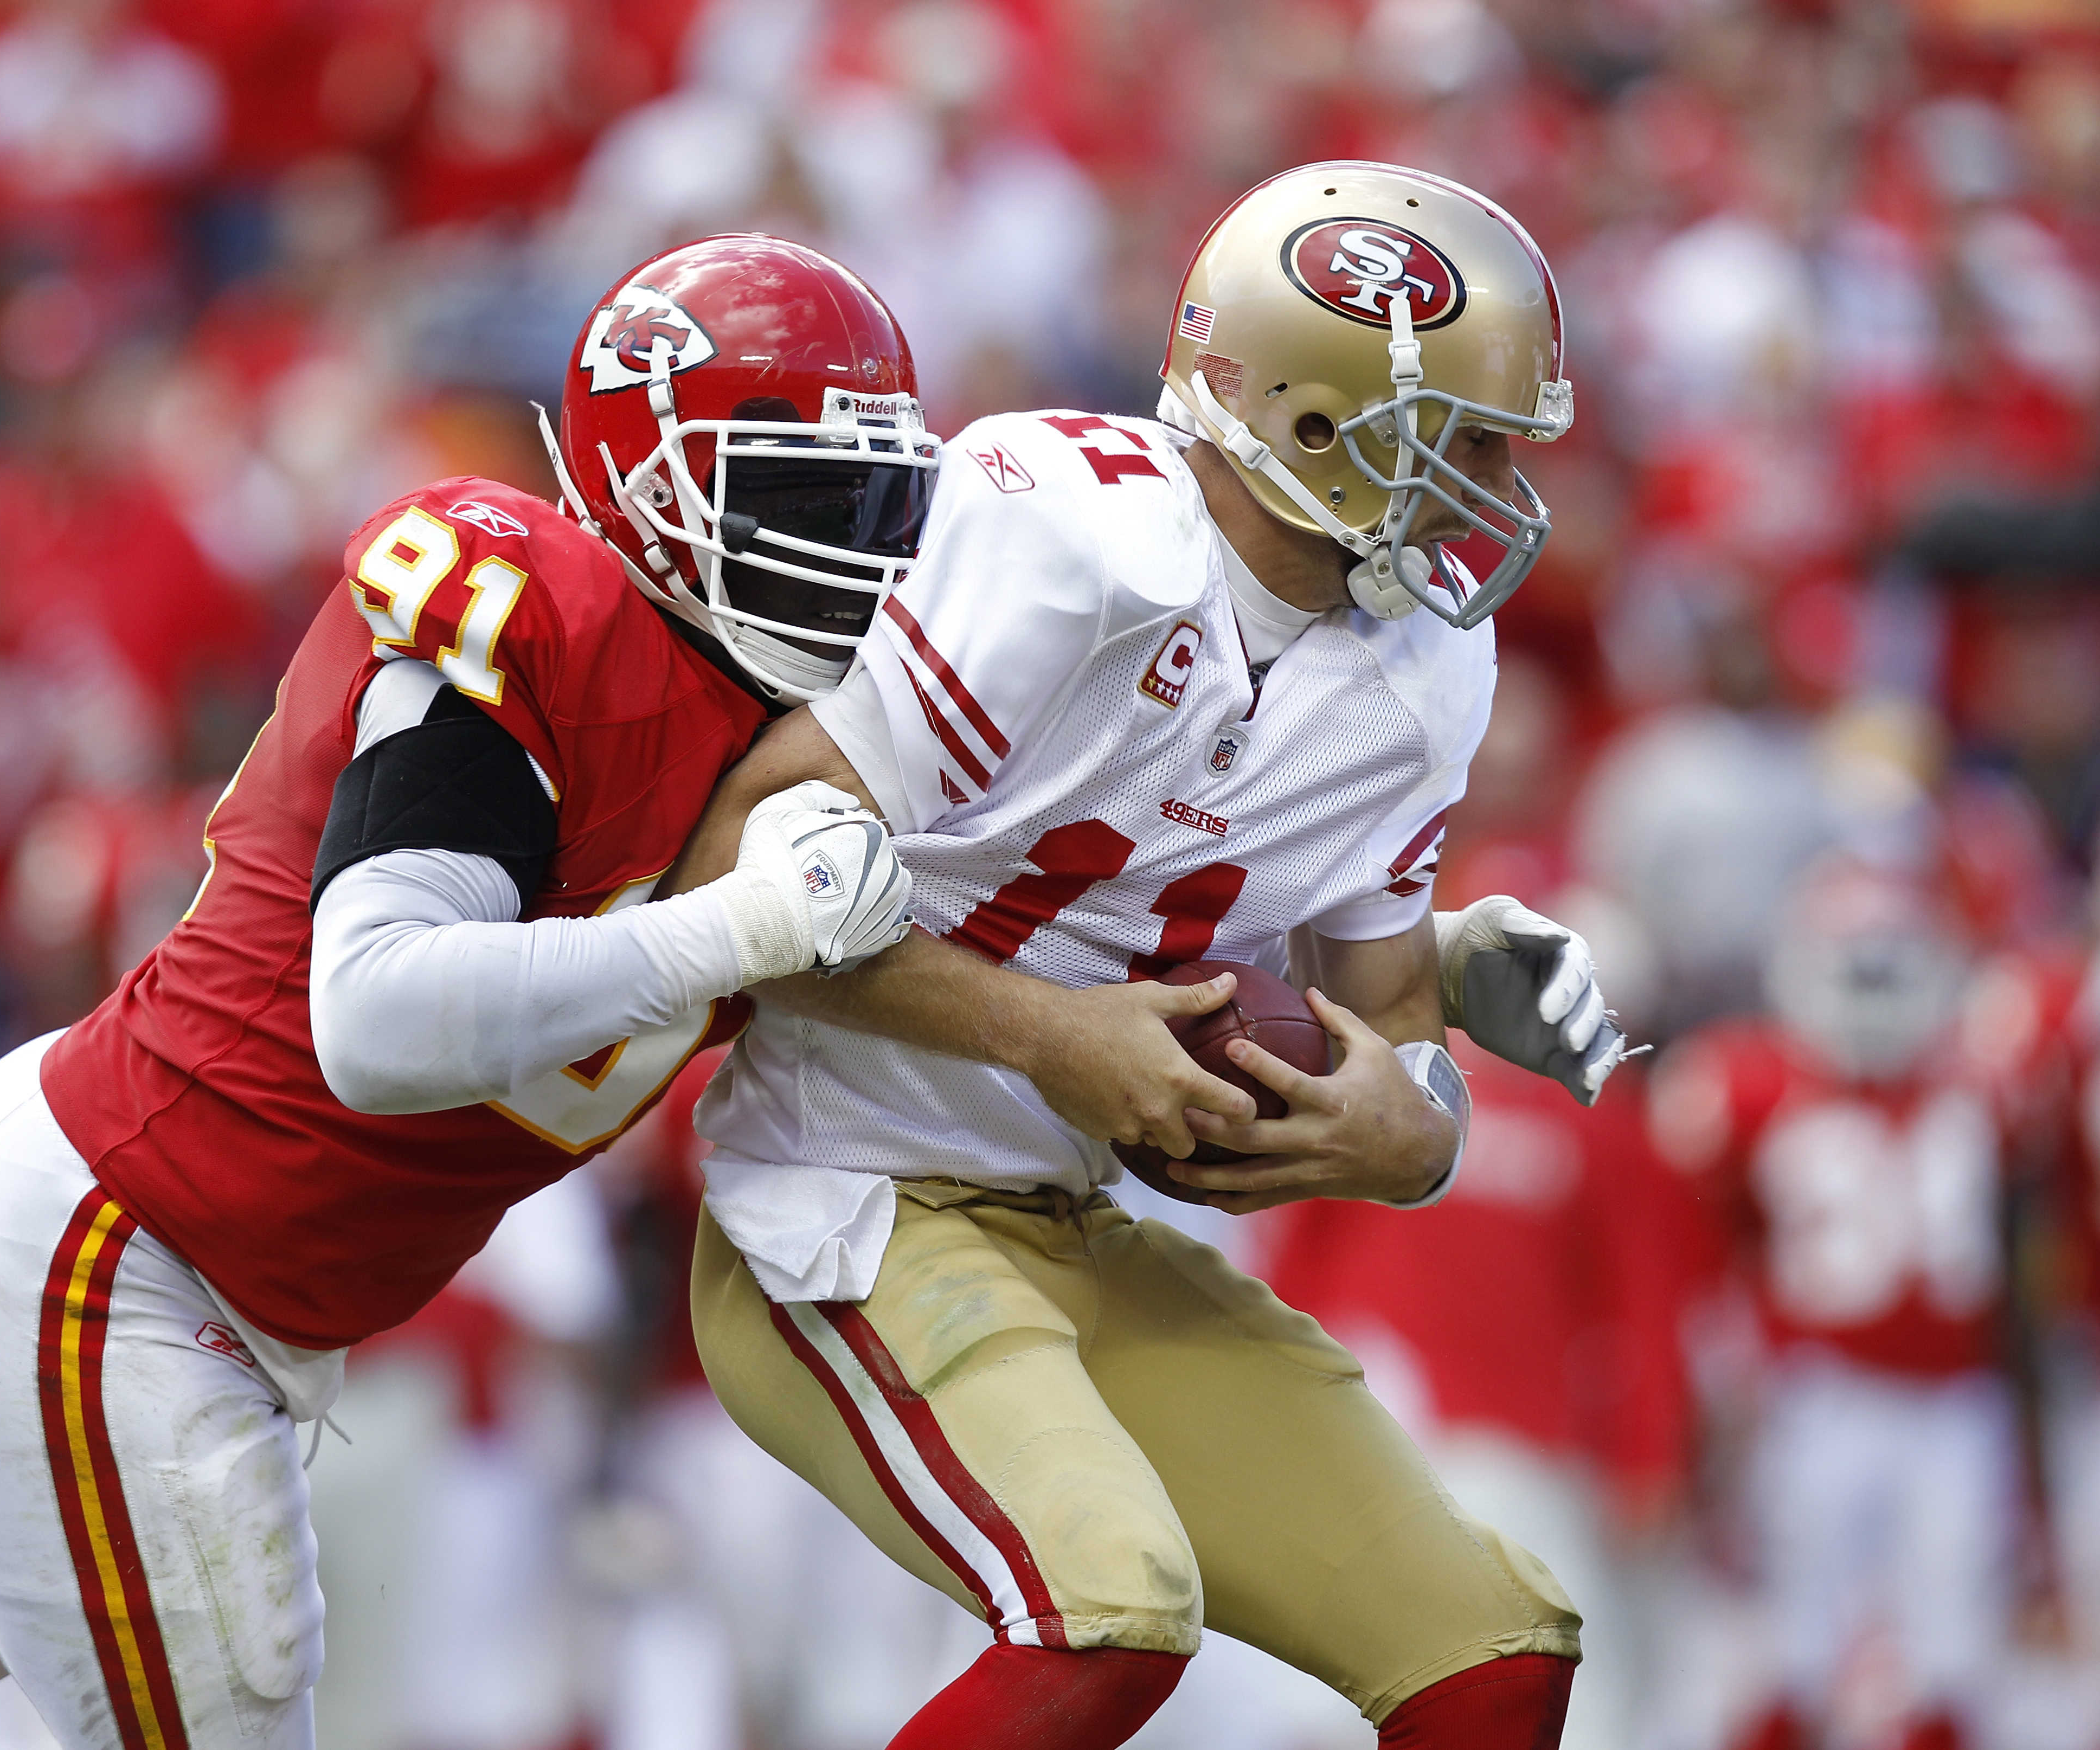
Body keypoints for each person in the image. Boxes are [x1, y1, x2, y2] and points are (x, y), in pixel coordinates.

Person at [0, 234, 939, 1750]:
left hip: (127, 1240)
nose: (855, 551)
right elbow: (374, 1014)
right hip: (125, 1252)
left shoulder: (779, 735)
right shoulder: (537, 605)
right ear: (649, 479)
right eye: (808, 498)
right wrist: (742, 927)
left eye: (882, 503)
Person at [659, 162, 1627, 1749]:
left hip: (1068, 1218)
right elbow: (728, 875)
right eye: (1454, 444)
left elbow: (1378, 1018)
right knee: (1101, 1615)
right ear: (1304, 417)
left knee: (1491, 1650)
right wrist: (1052, 1035)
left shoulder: (1428, 660)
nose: (1487, 495)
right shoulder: (1071, 536)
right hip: (844, 1199)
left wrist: (1414, 1133)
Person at [1650, 854, 2018, 1750]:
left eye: (1891, 962)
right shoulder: (1743, 1078)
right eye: (1855, 963)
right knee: (1790, 1641)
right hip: (1814, 1391)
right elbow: (1694, 1249)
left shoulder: (1979, 1075)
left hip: (1958, 1392)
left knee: (1954, 1641)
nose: (1874, 989)